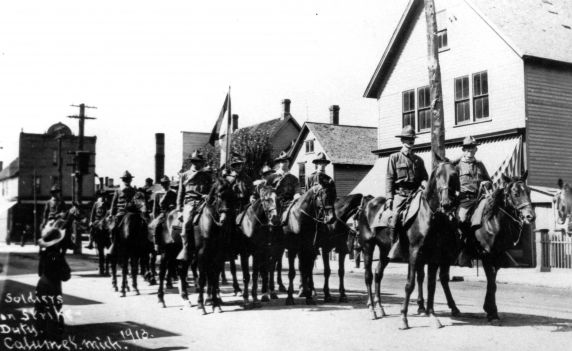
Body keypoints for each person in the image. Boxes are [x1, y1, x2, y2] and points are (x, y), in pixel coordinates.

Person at [385, 126, 428, 259]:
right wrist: (389, 198)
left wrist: (424, 184)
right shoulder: (394, 158)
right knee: (395, 216)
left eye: (412, 139)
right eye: (407, 139)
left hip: (416, 193)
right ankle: (393, 247)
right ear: (402, 140)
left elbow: (424, 177)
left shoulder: (418, 160)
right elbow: (389, 178)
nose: (410, 142)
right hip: (400, 194)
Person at [454, 136, 491, 267]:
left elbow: (489, 180)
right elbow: (451, 184)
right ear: (464, 150)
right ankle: (464, 252)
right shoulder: (457, 166)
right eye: (468, 148)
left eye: (473, 148)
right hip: (464, 200)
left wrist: (487, 182)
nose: (470, 151)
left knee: (489, 218)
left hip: (479, 199)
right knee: (462, 220)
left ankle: (485, 248)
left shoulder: (480, 165)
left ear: (476, 149)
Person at [35, 226, 71, 342]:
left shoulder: (43, 255)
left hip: (42, 285)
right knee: (56, 313)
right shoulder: (58, 256)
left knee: (40, 312)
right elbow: (66, 276)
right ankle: (56, 339)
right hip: (54, 287)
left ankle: (40, 338)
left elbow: (40, 272)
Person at [176, 150, 213, 261]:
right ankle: (186, 249)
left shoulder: (206, 176)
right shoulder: (185, 175)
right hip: (190, 203)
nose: (198, 164)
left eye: (200, 161)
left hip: (203, 203)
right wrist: (179, 209)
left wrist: (208, 195)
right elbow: (180, 193)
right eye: (196, 161)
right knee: (186, 223)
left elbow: (211, 190)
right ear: (192, 162)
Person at [109, 171, 143, 255]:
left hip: (132, 211)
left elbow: (138, 202)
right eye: (125, 179)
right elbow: (114, 203)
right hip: (121, 212)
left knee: (143, 224)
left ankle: (143, 244)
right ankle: (114, 244)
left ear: (130, 180)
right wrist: (111, 214)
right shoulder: (118, 191)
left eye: (128, 179)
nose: (127, 181)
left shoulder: (134, 190)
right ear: (123, 180)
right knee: (114, 228)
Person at [272, 151, 301, 219]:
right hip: (276, 204)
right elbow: (268, 191)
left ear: (288, 163)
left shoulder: (293, 178)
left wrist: (297, 195)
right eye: (282, 161)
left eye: (285, 161)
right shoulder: (273, 176)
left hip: (290, 202)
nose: (284, 163)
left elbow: (297, 190)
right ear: (279, 163)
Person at [153, 176, 177, 252]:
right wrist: (155, 218)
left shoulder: (173, 193)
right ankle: (157, 244)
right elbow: (155, 207)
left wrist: (173, 206)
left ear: (169, 183)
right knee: (157, 226)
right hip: (162, 213)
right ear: (161, 184)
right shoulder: (158, 194)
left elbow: (176, 203)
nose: (165, 185)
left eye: (166, 183)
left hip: (172, 213)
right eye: (163, 183)